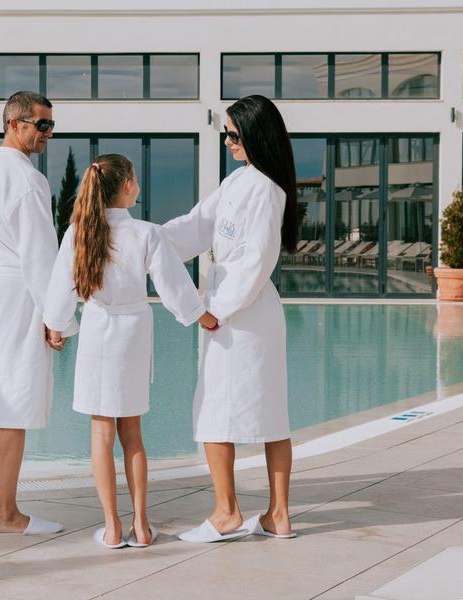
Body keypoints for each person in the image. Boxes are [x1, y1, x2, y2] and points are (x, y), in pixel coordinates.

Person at [44, 154, 204, 548]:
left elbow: (60, 285)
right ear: (129, 186)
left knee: (101, 433)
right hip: (134, 332)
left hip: (99, 329)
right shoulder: (147, 233)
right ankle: (142, 526)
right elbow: (174, 287)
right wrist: (201, 317)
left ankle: (112, 527)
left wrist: (56, 325)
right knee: (132, 433)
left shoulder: (78, 232)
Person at [163, 95, 299, 542]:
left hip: (240, 313)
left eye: (234, 135)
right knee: (267, 414)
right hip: (238, 311)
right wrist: (148, 241)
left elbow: (255, 263)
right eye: (225, 134)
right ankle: (276, 516)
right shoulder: (240, 181)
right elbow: (197, 224)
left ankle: (227, 514)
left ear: (257, 136)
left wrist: (210, 314)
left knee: (216, 415)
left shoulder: (264, 190)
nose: (227, 141)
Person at [0, 91, 76, 535]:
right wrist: (57, 317)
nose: (48, 134)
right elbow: (39, 255)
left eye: (51, 127)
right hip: (17, 292)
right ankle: (5, 514)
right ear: (14, 123)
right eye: (41, 125)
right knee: (14, 402)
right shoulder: (27, 180)